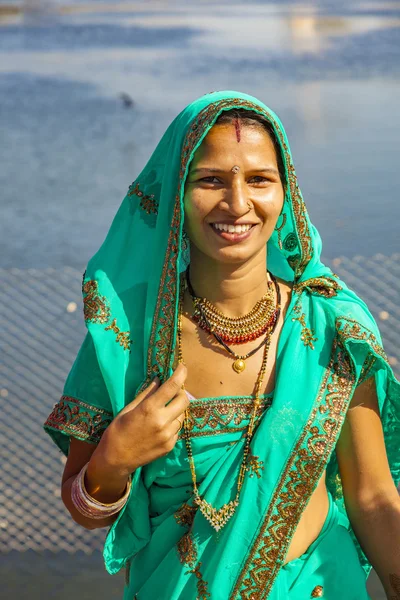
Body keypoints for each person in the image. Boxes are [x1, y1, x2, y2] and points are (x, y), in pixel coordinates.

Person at [44, 91, 400, 600]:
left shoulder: (332, 326)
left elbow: (373, 499)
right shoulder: (130, 336)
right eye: (210, 180)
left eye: (259, 180)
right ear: (175, 193)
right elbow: (81, 508)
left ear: (286, 193)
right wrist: (114, 461)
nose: (238, 204)